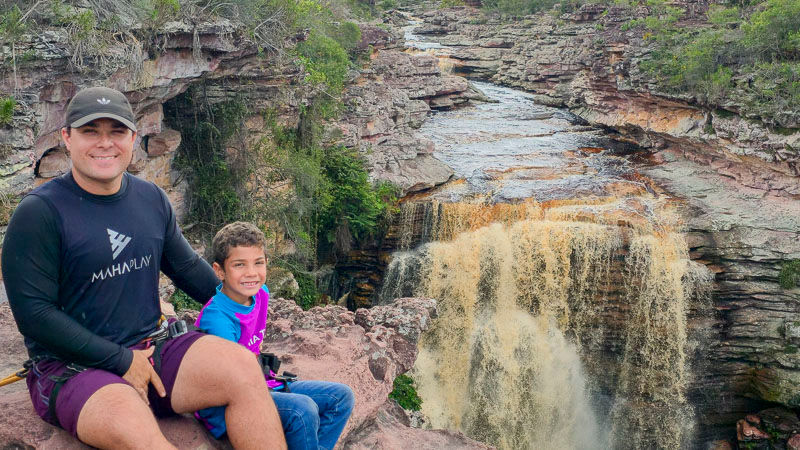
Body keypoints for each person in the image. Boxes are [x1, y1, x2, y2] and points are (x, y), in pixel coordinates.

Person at [1, 86, 287, 449]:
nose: (105, 143)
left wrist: (250, 298)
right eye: (91, 131)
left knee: (244, 369)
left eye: (116, 132)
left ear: (133, 138)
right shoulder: (40, 214)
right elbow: (35, 316)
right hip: (72, 368)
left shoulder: (150, 199)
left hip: (154, 349)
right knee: (140, 434)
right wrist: (121, 361)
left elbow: (189, 270)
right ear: (67, 138)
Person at [195, 221, 355, 450]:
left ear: (267, 264)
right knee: (302, 410)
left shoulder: (261, 294)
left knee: (342, 397)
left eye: (258, 263)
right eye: (239, 265)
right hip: (226, 403)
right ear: (219, 270)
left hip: (259, 384)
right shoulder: (217, 319)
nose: (251, 273)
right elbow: (232, 384)